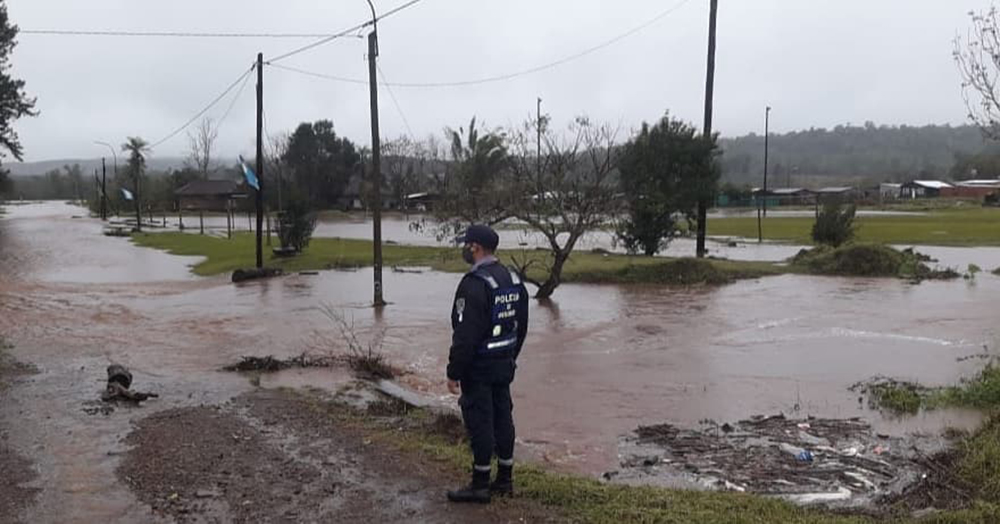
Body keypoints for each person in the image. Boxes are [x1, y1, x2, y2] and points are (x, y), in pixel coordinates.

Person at [446, 224, 529, 504]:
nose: (464, 250)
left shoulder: (474, 284)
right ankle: (505, 479)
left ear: (475, 248)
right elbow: (522, 328)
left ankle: (480, 484)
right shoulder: (513, 280)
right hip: (503, 364)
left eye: (466, 245)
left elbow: (465, 335)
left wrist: (453, 372)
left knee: (480, 422)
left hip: (478, 367)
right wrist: (509, 357)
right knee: (503, 417)